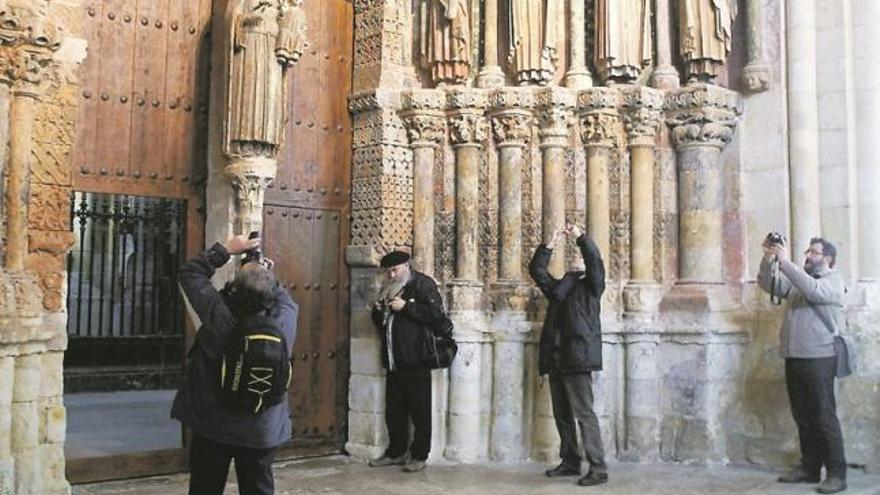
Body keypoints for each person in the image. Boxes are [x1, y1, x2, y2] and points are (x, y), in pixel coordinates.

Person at [172, 235, 298, 495]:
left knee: (205, 488)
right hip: (262, 429)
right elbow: (281, 297)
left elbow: (190, 273)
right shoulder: (285, 319)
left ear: (233, 290)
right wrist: (264, 274)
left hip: (213, 424)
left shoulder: (218, 314)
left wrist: (227, 249)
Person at [758, 236, 847, 494]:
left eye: (814, 252)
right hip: (794, 356)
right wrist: (768, 259)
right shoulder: (798, 283)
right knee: (803, 416)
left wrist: (785, 262)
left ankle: (837, 473)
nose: (808, 255)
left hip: (819, 358)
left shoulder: (833, 281)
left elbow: (813, 291)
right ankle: (809, 468)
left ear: (827, 258)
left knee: (823, 415)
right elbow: (768, 284)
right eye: (807, 251)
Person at [529, 224, 608, 487]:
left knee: (584, 414)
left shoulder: (592, 287)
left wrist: (580, 237)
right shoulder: (558, 289)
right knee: (562, 414)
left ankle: (598, 467)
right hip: (556, 357)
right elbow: (537, 271)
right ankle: (571, 461)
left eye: (579, 255)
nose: (576, 257)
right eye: (573, 254)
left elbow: (595, 261)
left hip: (578, 357)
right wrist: (549, 243)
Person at [368, 250, 447, 473]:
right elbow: (382, 322)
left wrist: (407, 307)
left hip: (416, 359)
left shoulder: (423, 284)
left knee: (420, 412)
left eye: (395, 270)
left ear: (406, 265)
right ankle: (395, 452)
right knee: (394, 410)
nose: (391, 275)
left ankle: (420, 455)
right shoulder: (388, 286)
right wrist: (378, 311)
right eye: (388, 271)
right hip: (394, 360)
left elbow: (437, 316)